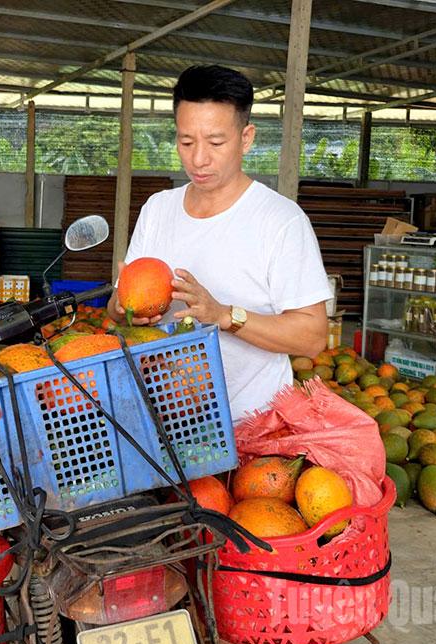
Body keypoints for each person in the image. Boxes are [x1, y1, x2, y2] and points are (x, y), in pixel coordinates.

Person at [109, 64, 332, 421]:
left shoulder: (281, 221)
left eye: (215, 143)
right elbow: (116, 313)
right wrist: (124, 307)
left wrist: (224, 316)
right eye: (186, 142)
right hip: (161, 422)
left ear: (246, 138)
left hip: (252, 430)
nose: (199, 158)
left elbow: (312, 336)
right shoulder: (158, 209)